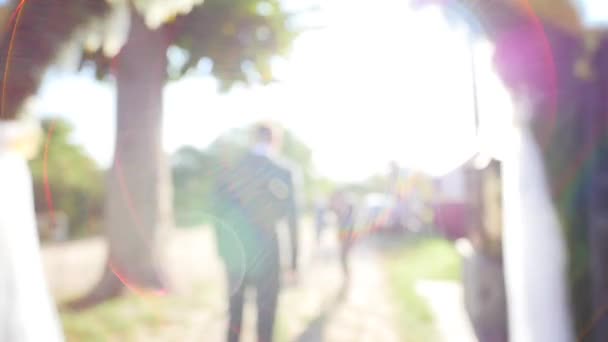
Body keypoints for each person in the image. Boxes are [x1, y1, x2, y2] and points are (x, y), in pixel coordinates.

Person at [212, 123, 300, 342]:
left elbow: (217, 211)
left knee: (235, 311)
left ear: (252, 138)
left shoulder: (232, 168)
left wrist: (221, 250)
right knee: (267, 311)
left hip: (236, 249)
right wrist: (294, 262)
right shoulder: (284, 170)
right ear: (275, 140)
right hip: (270, 249)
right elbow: (292, 220)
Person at [329, 189, 356, 284]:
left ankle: (347, 277)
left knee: (343, 258)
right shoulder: (342, 209)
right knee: (343, 258)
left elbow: (348, 226)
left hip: (347, 238)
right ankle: (346, 276)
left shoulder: (346, 209)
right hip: (344, 238)